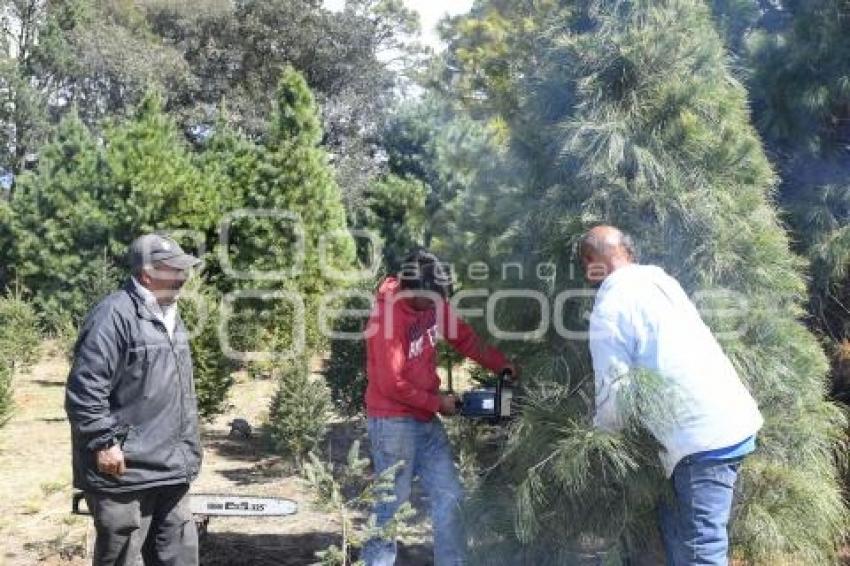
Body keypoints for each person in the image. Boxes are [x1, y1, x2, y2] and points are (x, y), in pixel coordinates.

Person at [579, 225, 763, 566]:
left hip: (700, 439)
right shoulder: (661, 282)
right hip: (731, 417)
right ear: (628, 252)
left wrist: (601, 441)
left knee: (700, 550)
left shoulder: (610, 308)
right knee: (678, 532)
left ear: (591, 263)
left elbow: (614, 392)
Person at [362, 248, 518, 566]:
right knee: (390, 504)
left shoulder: (431, 297)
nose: (436, 307)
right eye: (430, 301)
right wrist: (438, 403)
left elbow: (465, 339)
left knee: (451, 497)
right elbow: (390, 384)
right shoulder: (387, 316)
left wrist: (502, 364)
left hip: (424, 418)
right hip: (393, 422)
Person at [65, 234, 203, 566]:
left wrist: (188, 446)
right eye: (174, 271)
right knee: (123, 559)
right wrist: (103, 442)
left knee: (179, 556)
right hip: (126, 472)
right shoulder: (114, 315)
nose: (183, 277)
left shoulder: (170, 314)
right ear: (146, 274)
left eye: (185, 269)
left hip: (172, 467)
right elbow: (85, 388)